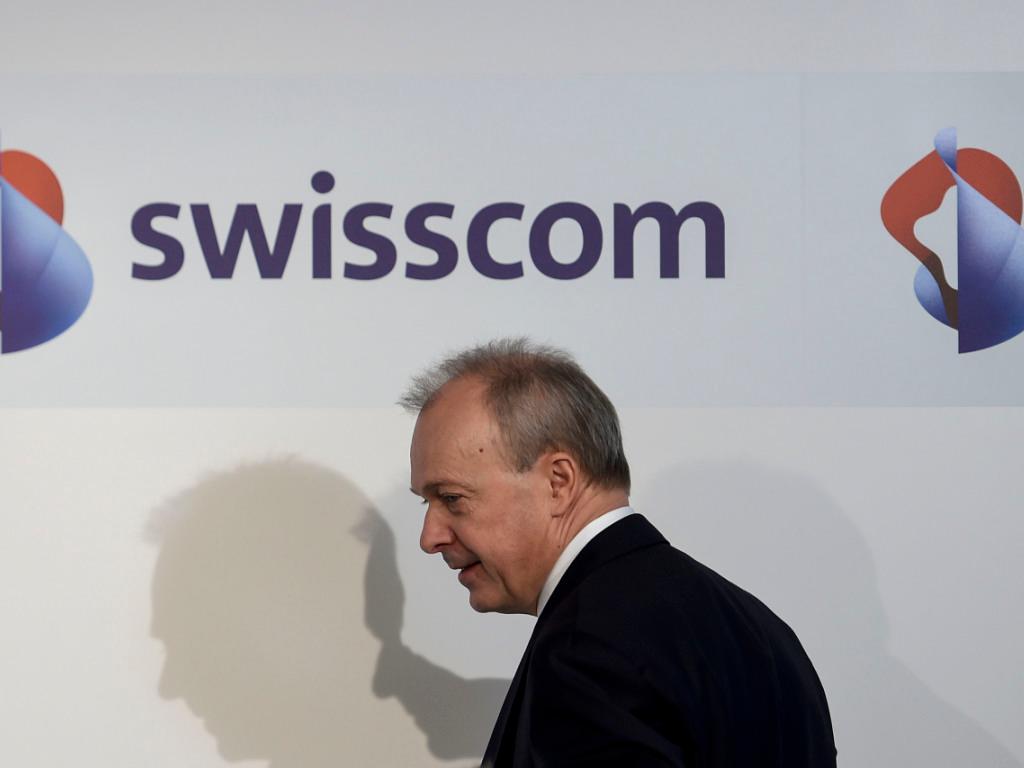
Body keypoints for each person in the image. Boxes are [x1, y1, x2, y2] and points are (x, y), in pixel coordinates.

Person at [401, 338, 837, 767]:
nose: (430, 537)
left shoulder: (587, 648)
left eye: (452, 498)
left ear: (558, 481)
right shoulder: (760, 630)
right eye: (427, 503)